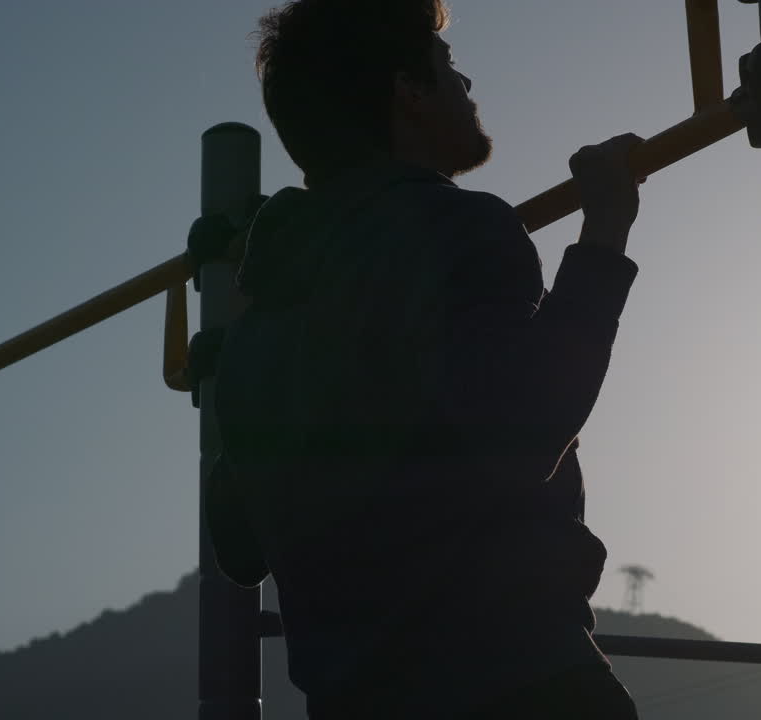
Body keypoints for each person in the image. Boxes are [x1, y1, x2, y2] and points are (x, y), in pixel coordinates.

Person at [206, 1, 644, 717]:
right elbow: (525, 427)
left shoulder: (257, 328)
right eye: (449, 67)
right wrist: (605, 229)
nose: (465, 85)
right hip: (518, 678)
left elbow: (238, 543)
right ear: (409, 91)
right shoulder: (456, 226)